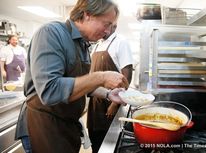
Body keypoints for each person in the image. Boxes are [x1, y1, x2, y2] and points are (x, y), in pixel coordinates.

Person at [15, 0, 129, 153]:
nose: (108, 31)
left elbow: (80, 84)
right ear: (87, 14)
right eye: (106, 24)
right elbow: (50, 91)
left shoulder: (83, 45)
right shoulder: (51, 33)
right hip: (43, 125)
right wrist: (100, 77)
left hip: (65, 126)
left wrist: (108, 94)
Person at [87, 24, 133, 153]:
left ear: (114, 26)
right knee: (95, 139)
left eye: (107, 25)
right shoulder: (96, 45)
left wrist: (114, 104)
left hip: (113, 100)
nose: (103, 29)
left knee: (109, 142)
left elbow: (127, 76)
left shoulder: (120, 42)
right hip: (95, 99)